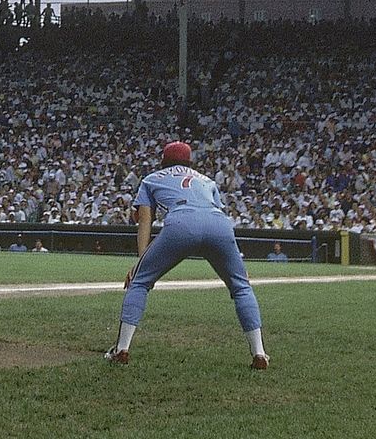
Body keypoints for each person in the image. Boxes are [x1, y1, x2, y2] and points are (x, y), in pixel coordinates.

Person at [106, 141, 267, 369]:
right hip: (218, 224)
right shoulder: (206, 180)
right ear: (190, 162)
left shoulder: (152, 179)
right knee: (241, 286)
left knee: (140, 283)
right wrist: (238, 264)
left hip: (182, 222)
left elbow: (145, 220)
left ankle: (121, 350)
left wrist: (141, 263)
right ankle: (259, 354)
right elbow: (217, 213)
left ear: (164, 161)